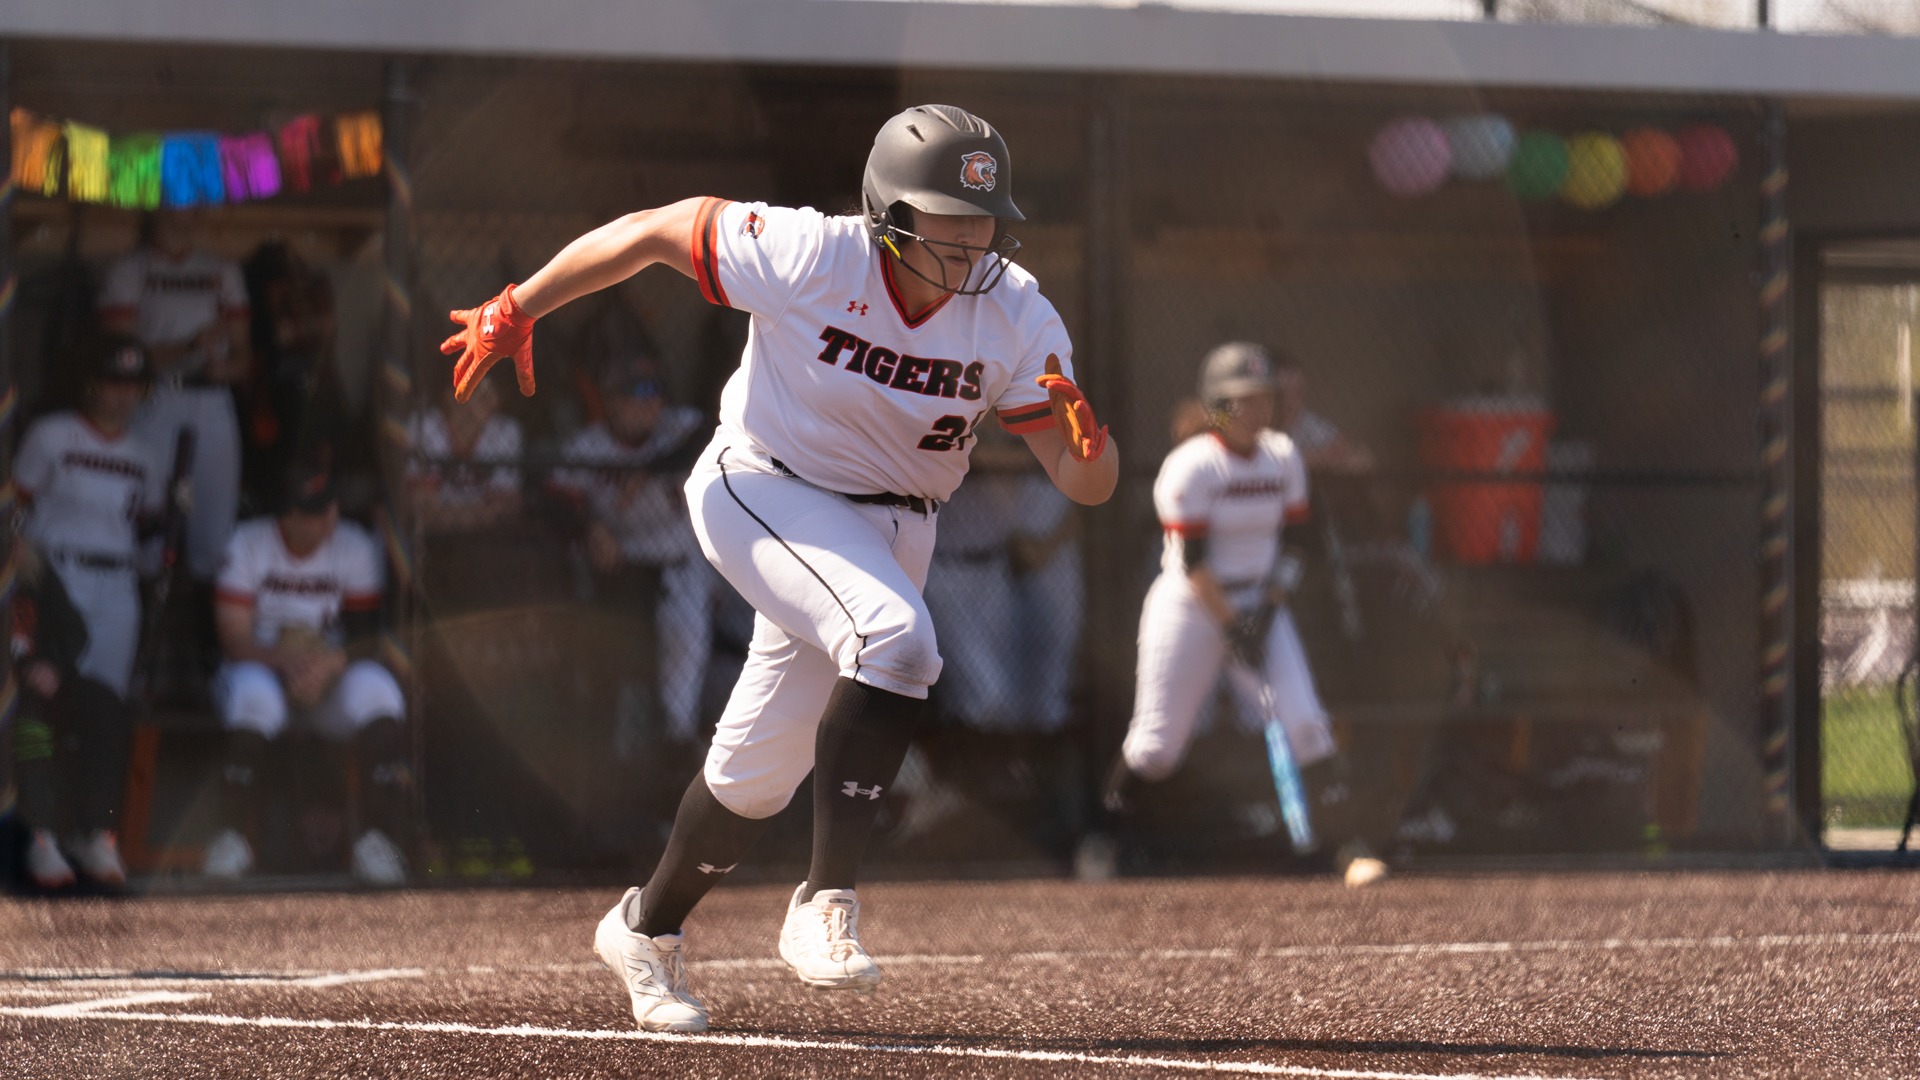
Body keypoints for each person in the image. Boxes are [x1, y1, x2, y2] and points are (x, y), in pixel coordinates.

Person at [439, 104, 1117, 1033]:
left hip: (893, 530)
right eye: (943, 228)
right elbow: (649, 234)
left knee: (757, 774)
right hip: (763, 485)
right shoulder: (814, 253)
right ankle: (824, 902)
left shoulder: (1015, 309)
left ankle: (645, 926)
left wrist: (1092, 443)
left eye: (982, 226)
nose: (967, 249)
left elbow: (1084, 483)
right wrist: (520, 306)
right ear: (887, 215)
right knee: (897, 640)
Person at [1101, 341, 1386, 888]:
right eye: (1242, 400)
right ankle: (1104, 839)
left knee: (1305, 721)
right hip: (1191, 603)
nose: (1258, 410)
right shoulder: (1191, 466)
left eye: (1264, 398)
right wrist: (1232, 625)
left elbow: (1298, 545)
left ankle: (1347, 848)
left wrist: (1267, 611)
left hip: (1260, 603)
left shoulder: (1283, 456)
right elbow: (1194, 562)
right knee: (1158, 746)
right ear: (1216, 405)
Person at [11, 335, 171, 887]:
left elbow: (149, 540)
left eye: (131, 385)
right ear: (90, 383)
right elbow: (15, 510)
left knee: (103, 706)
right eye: (111, 382)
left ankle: (96, 833)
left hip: (116, 584)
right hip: (53, 576)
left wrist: (173, 528)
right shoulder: (51, 434)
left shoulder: (145, 454)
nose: (121, 395)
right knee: (38, 699)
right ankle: (41, 835)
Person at [201, 464, 411, 886]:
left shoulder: (354, 545)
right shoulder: (248, 542)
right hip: (263, 668)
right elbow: (234, 640)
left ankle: (374, 841)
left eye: (329, 508)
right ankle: (230, 840)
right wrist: (286, 660)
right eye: (312, 512)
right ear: (286, 515)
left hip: (327, 674)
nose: (325, 520)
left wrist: (331, 664)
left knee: (381, 693)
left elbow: (366, 637)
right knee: (252, 699)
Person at [550, 355, 718, 750]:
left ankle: (678, 746)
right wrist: (588, 526)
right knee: (609, 664)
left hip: (680, 567)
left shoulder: (679, 428)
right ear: (609, 399)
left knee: (686, 639)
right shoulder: (589, 444)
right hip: (617, 568)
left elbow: (715, 429)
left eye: (654, 391)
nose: (647, 402)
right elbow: (553, 499)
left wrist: (651, 468)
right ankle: (606, 753)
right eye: (634, 392)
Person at [98, 209, 250, 583]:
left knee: (214, 525)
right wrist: (187, 346)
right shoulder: (130, 269)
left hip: (213, 399)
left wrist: (226, 369)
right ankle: (145, 624)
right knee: (145, 519)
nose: (190, 206)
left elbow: (245, 356)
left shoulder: (222, 269)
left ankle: (206, 632)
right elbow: (120, 354)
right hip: (154, 399)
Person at [405, 369, 525, 534]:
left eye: (492, 389)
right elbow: (419, 505)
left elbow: (506, 506)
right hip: (431, 537)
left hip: (487, 537)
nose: (489, 397)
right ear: (449, 395)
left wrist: (451, 517)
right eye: (478, 387)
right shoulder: (423, 427)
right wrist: (482, 514)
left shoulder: (506, 431)